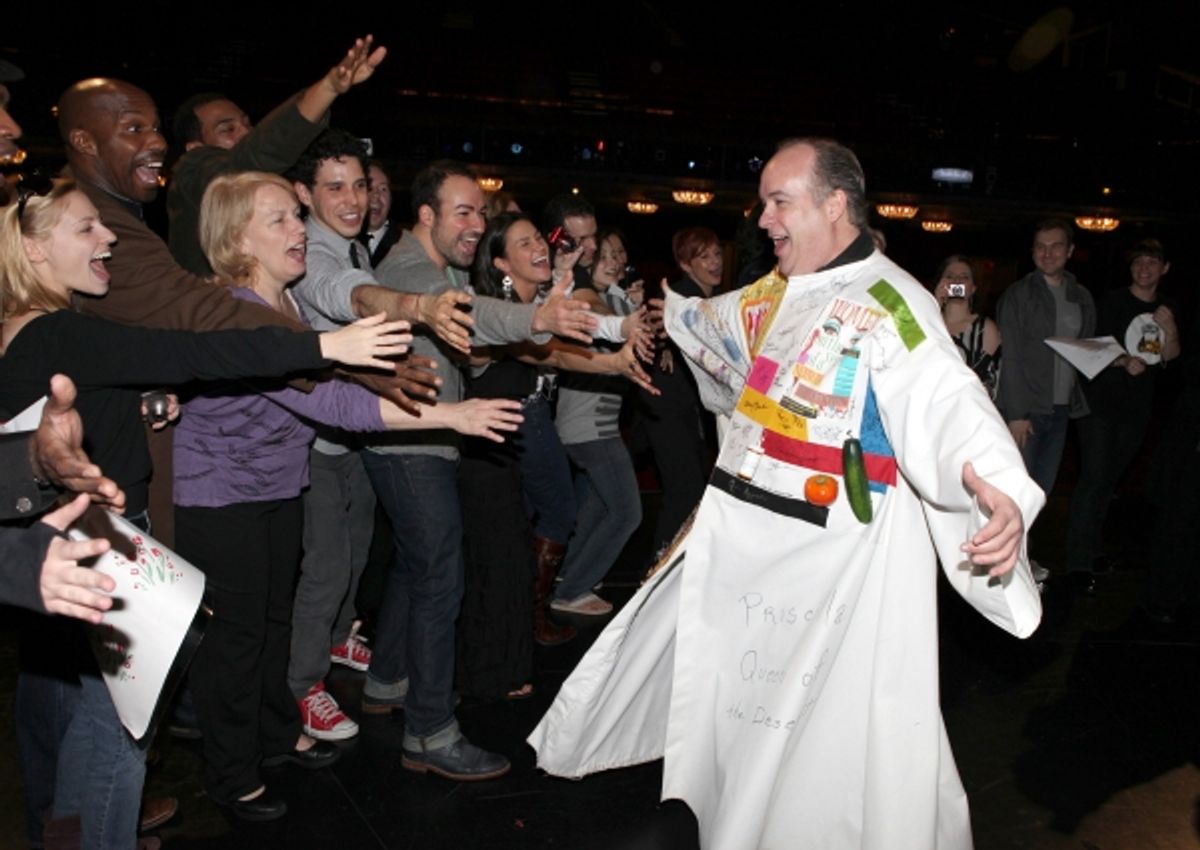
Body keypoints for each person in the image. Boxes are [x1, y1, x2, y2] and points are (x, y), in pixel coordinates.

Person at [530, 138, 1043, 850]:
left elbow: (948, 399)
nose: (764, 217)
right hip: (747, 553)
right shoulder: (777, 291)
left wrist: (1002, 492)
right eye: (763, 200)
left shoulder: (892, 302)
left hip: (833, 568)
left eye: (781, 201)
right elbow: (710, 325)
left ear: (835, 205)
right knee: (744, 719)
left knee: (826, 738)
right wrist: (662, 311)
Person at [0, 177, 406, 850]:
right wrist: (322, 349)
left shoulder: (33, 332)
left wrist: (140, 408)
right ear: (36, 252)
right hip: (99, 546)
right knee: (119, 736)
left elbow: (72, 406)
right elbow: (192, 352)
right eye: (85, 229)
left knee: (75, 721)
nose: (108, 238)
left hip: (72, 542)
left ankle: (68, 832)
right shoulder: (58, 331)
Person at [176, 171, 522, 820]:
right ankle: (232, 774)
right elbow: (333, 400)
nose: (297, 231)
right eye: (278, 219)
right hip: (221, 501)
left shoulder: (289, 307)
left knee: (274, 626)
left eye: (294, 217)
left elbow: (327, 379)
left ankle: (275, 734)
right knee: (239, 642)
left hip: (277, 488)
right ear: (235, 236)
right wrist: (453, 416)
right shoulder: (236, 312)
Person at [358, 160, 597, 781]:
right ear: (428, 215)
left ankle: (386, 682)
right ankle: (430, 732)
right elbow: (468, 315)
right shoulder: (414, 272)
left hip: (426, 441)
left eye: (480, 214)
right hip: (412, 448)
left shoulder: (443, 268)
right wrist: (537, 318)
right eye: (462, 212)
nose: (475, 225)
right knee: (441, 580)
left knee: (418, 570)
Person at [457, 213, 657, 696]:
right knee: (498, 553)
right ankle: (483, 668)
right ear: (501, 261)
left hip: (514, 434)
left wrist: (612, 362)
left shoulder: (532, 307)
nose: (538, 248)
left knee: (513, 549)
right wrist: (612, 342)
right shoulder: (492, 309)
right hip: (488, 443)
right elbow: (534, 348)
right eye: (524, 243)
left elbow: (551, 353)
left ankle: (503, 659)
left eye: (537, 239)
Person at [167, 35, 387, 275]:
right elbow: (252, 156)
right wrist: (328, 89)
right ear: (194, 148)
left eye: (246, 124)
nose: (244, 133)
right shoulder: (193, 170)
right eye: (228, 130)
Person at [1065, 239, 1179, 580]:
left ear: (1165, 268)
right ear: (1131, 268)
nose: (1144, 269)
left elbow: (1171, 358)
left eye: (1152, 263)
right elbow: (1087, 347)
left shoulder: (1168, 308)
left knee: (1109, 482)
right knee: (1093, 479)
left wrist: (1170, 327)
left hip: (1136, 409)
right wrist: (1121, 360)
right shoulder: (1110, 302)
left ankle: (1094, 551)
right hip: (1099, 405)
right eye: (1138, 262)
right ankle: (1077, 563)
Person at [550, 230, 646, 615]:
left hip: (599, 425)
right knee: (626, 512)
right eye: (604, 255)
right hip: (587, 428)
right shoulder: (585, 301)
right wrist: (627, 314)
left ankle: (566, 576)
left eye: (619, 253)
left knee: (596, 507)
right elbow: (607, 325)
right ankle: (573, 589)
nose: (614, 261)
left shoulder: (613, 298)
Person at [636, 226, 720, 558]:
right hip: (667, 412)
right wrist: (665, 344)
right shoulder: (681, 297)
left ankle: (670, 564)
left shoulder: (705, 299)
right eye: (704, 257)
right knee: (684, 493)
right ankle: (660, 565)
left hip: (683, 413)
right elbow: (656, 324)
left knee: (688, 491)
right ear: (686, 265)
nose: (714, 263)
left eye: (716, 254)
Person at [933, 254, 1001, 397]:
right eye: (950, 277)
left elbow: (991, 381)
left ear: (973, 288)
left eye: (964, 277)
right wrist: (934, 304)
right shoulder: (929, 321)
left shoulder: (984, 329)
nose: (956, 281)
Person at [362, 159, 400, 266]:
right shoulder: (339, 242)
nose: (376, 196)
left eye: (383, 189)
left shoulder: (405, 243)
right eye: (369, 188)